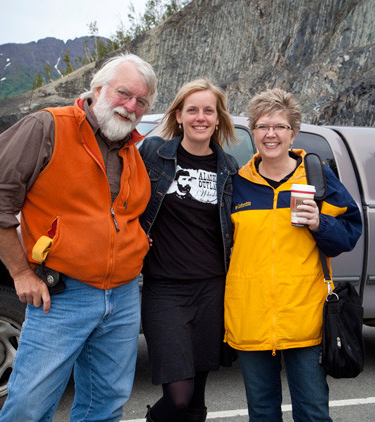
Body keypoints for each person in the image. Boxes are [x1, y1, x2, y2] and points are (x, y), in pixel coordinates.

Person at [0, 53, 157, 422]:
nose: (131, 106)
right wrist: (22, 274)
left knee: (104, 407)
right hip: (62, 296)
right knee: (28, 408)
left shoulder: (130, 150)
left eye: (142, 101)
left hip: (122, 297)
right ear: (97, 88)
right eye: (124, 94)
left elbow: (122, 213)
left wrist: (133, 243)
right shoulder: (46, 127)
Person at [224, 88, 362, 421]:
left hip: (306, 318)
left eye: (280, 127)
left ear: (293, 133)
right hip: (250, 317)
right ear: (252, 132)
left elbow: (349, 233)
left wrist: (320, 224)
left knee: (313, 412)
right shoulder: (235, 184)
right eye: (262, 126)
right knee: (261, 412)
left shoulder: (317, 178)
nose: (270, 134)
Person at [138, 79, 239, 422]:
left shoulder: (229, 170)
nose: (200, 117)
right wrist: (133, 236)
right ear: (178, 115)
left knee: (197, 396)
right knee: (178, 395)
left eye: (208, 110)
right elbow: (120, 199)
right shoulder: (153, 153)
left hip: (212, 288)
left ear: (218, 118)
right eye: (192, 110)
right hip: (165, 289)